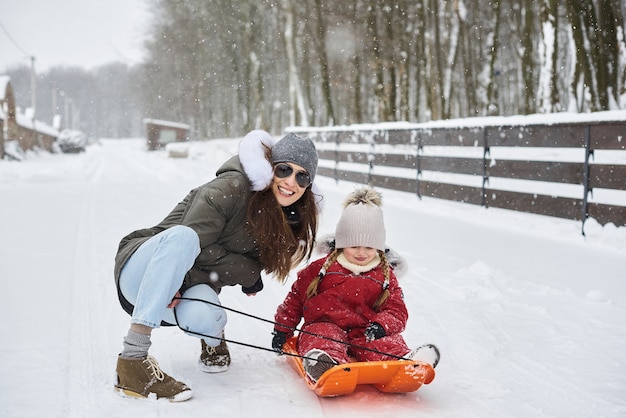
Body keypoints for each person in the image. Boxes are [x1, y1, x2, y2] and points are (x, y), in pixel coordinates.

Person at [113, 130, 322, 401]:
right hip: (141, 271)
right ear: (269, 168)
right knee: (184, 237)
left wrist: (247, 272)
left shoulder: (283, 219)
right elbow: (195, 245)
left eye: (302, 176)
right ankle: (133, 360)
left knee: (205, 318)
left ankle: (213, 341)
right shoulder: (231, 187)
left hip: (184, 288)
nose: (290, 181)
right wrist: (246, 272)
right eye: (284, 169)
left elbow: (226, 265)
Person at [271, 186, 439, 382]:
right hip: (325, 325)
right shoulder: (320, 269)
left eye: (369, 247)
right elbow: (294, 300)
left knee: (384, 343)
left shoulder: (385, 275)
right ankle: (325, 365)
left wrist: (381, 326)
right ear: (342, 243)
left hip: (365, 331)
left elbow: (396, 310)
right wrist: (282, 330)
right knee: (320, 336)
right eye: (354, 246)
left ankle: (405, 361)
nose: (361, 253)